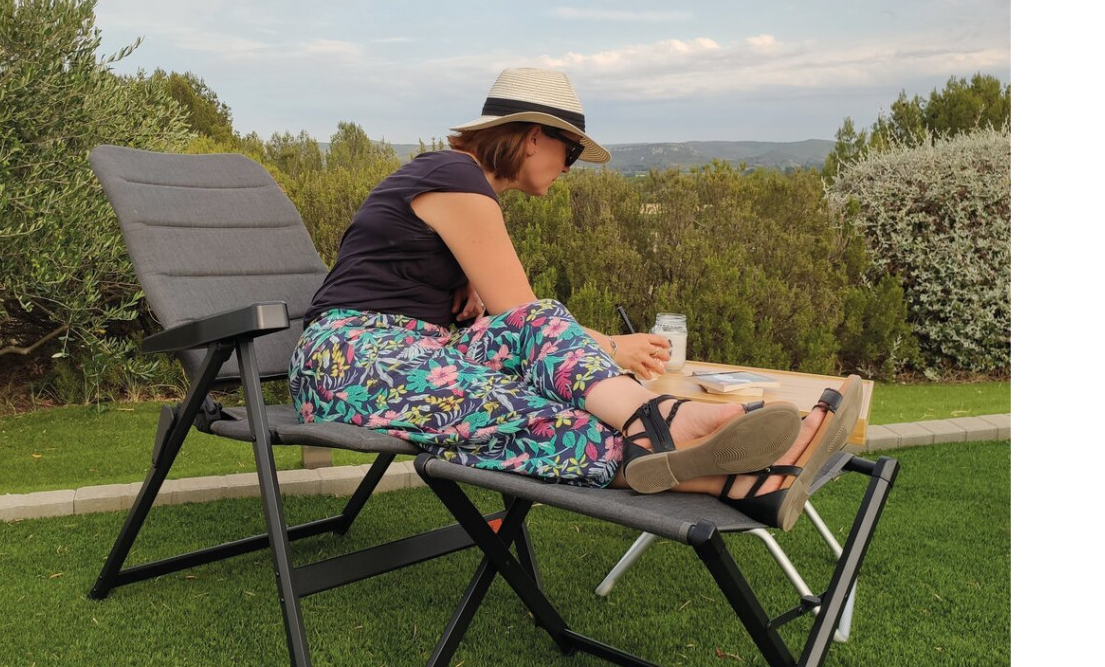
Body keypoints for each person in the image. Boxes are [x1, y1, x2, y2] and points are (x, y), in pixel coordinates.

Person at [289, 68, 862, 527]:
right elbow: (519, 313)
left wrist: (460, 286)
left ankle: (739, 481)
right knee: (530, 368)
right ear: (534, 137)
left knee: (545, 370)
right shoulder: (454, 176)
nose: (569, 168)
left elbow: (503, 314)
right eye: (569, 153)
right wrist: (612, 346)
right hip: (348, 359)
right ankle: (680, 429)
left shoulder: (451, 186)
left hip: (421, 353)